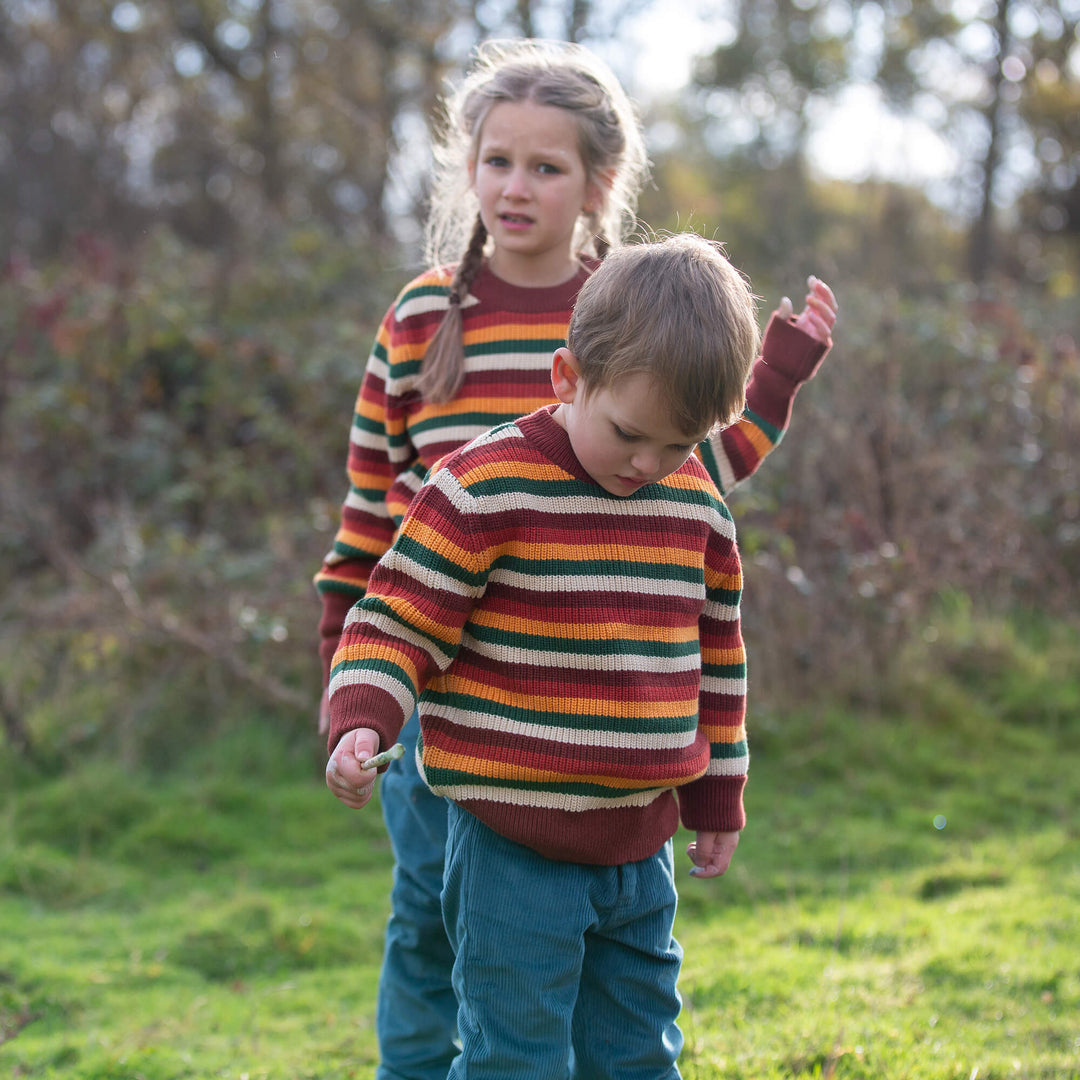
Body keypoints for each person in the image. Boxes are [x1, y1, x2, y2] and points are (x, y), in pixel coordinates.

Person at [313, 38, 837, 1080]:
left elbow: (690, 470)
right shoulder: (422, 318)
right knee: (433, 916)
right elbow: (374, 508)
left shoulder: (629, 305)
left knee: (564, 962)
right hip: (443, 686)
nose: (516, 186)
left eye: (545, 167)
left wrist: (771, 382)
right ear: (469, 170)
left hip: (591, 700)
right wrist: (355, 682)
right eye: (497, 161)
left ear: (598, 183)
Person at [326, 232, 768, 1079]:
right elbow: (396, 619)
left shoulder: (696, 510)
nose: (649, 464)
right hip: (511, 845)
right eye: (629, 433)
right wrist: (364, 717)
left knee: (637, 1053)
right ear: (568, 378)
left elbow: (718, 665)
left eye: (678, 445)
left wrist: (718, 793)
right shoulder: (484, 487)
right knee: (515, 1058)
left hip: (640, 849)